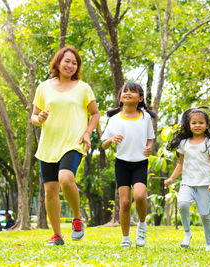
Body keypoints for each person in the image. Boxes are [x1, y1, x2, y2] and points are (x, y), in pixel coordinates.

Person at [31, 46, 100, 246]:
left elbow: (95, 113)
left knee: (65, 178)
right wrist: (40, 117)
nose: (70, 65)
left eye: (74, 62)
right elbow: (34, 117)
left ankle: (77, 217)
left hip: (73, 142)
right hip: (48, 145)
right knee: (50, 191)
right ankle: (57, 235)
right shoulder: (43, 87)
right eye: (67, 61)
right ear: (58, 62)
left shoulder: (83, 88)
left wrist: (87, 132)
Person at [101, 82, 156, 248]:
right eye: (124, 91)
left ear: (140, 98)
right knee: (124, 202)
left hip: (140, 163)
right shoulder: (114, 119)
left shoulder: (145, 117)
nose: (127, 93)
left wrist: (149, 147)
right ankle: (125, 238)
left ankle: (142, 225)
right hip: (122, 164)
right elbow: (103, 144)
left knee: (140, 196)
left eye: (132, 91)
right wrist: (110, 140)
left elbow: (150, 138)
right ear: (120, 97)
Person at [164, 107, 210, 251]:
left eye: (201, 122)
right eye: (194, 123)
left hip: (205, 184)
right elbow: (181, 164)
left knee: (205, 215)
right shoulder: (184, 144)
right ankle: (187, 233)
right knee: (183, 204)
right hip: (187, 183)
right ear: (189, 125)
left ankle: (209, 244)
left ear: (207, 125)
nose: (197, 125)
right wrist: (171, 178)